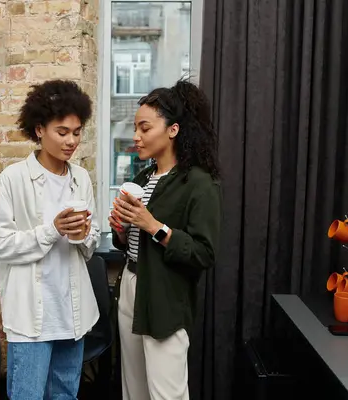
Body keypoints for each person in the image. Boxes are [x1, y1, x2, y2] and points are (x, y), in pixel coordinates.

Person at [0, 80, 100, 400]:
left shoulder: (81, 178)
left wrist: (85, 235)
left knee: (66, 396)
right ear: (39, 130)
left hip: (72, 314)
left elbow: (90, 247)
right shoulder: (13, 179)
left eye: (77, 132)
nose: (71, 140)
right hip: (32, 319)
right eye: (62, 132)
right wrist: (52, 230)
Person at [110, 78, 222, 400]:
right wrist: (122, 230)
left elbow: (204, 253)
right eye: (135, 128)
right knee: (134, 389)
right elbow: (134, 242)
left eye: (145, 128)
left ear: (172, 130)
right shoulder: (143, 177)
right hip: (131, 286)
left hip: (165, 296)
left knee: (166, 393)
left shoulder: (199, 183)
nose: (136, 136)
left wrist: (154, 226)